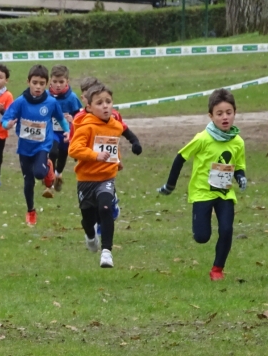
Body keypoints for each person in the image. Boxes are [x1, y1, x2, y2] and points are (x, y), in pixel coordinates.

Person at [157, 89, 247, 281]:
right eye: (219, 113)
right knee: (202, 237)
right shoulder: (203, 138)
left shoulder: (238, 141)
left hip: (224, 193)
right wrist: (170, 185)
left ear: (234, 113)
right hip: (202, 193)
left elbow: (238, 165)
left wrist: (241, 177)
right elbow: (180, 157)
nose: (225, 117)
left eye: (228, 113)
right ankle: (200, 230)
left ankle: (217, 269)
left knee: (227, 229)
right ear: (211, 116)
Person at [2, 64, 69, 226]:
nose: (38, 87)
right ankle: (31, 211)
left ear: (46, 84)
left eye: (41, 83)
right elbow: (6, 118)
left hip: (42, 146)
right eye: (35, 83)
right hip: (25, 148)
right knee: (28, 182)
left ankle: (47, 168)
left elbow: (60, 119)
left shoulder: (51, 103)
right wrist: (7, 124)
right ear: (28, 82)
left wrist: (67, 131)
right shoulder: (20, 102)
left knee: (39, 173)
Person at [72, 76, 143, 228]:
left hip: (107, 167)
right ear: (84, 98)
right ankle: (98, 222)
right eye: (86, 94)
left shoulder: (113, 115)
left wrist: (120, 155)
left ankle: (111, 201)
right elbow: (76, 141)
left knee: (106, 191)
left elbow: (115, 136)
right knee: (90, 210)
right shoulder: (80, 118)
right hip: (89, 167)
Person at [68, 83, 124, 268]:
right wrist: (95, 155)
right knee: (88, 219)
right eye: (99, 103)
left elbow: (111, 146)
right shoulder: (86, 127)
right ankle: (91, 236)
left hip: (106, 178)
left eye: (108, 101)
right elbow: (74, 149)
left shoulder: (116, 127)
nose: (105, 106)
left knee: (106, 208)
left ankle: (106, 252)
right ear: (89, 108)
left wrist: (117, 160)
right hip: (86, 180)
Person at [45, 65, 83, 198]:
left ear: (67, 81)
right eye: (55, 81)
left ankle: (58, 174)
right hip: (51, 131)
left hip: (66, 132)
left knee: (63, 153)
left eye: (61, 82)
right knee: (53, 152)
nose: (58, 85)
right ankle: (49, 180)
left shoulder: (72, 98)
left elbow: (80, 116)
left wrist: (72, 119)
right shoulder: (46, 96)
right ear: (50, 81)